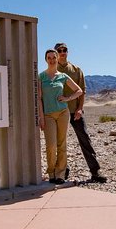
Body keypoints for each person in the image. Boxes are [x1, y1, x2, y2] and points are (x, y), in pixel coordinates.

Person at [54, 42, 108, 183]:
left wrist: (79, 109)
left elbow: (82, 91)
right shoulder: (53, 70)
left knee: (85, 140)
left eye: (64, 50)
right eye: (59, 50)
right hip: (59, 112)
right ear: (55, 52)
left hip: (74, 112)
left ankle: (95, 171)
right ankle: (63, 170)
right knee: (60, 142)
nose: (62, 52)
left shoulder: (77, 70)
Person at [38, 49, 83, 184]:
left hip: (63, 113)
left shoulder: (62, 76)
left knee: (61, 144)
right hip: (48, 115)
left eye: (53, 57)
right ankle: (51, 172)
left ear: (57, 59)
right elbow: (39, 99)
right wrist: (41, 117)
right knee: (51, 145)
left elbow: (79, 91)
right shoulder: (41, 77)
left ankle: (60, 174)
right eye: (49, 58)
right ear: (46, 60)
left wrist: (67, 98)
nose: (51, 60)